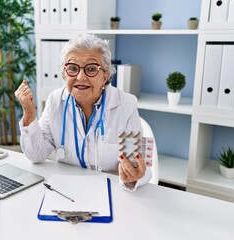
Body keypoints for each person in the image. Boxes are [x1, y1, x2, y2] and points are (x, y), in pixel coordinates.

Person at [15, 34, 151, 191]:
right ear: (64, 73)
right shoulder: (55, 101)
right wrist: (29, 114)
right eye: (72, 68)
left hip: (111, 193)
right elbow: (36, 155)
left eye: (91, 69)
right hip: (67, 190)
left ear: (106, 75)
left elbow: (138, 165)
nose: (80, 77)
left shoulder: (126, 105)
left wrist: (133, 177)